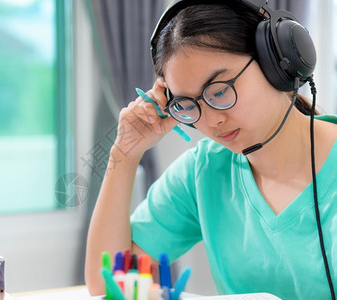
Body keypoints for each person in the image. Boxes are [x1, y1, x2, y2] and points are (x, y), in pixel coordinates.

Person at [84, 1, 337, 299]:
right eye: (188, 105)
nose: (212, 120)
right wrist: (124, 155)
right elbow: (108, 284)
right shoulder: (202, 172)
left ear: (276, 62)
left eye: (219, 91)